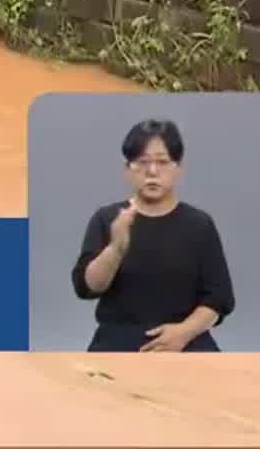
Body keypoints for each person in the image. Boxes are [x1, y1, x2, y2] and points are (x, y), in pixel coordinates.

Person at [71, 118, 236, 352]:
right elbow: (88, 287)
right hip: (118, 342)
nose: (152, 172)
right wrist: (116, 248)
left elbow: (219, 299)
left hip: (187, 342)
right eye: (142, 162)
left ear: (178, 168)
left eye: (163, 162)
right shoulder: (107, 218)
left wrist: (183, 333)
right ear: (128, 169)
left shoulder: (199, 225)